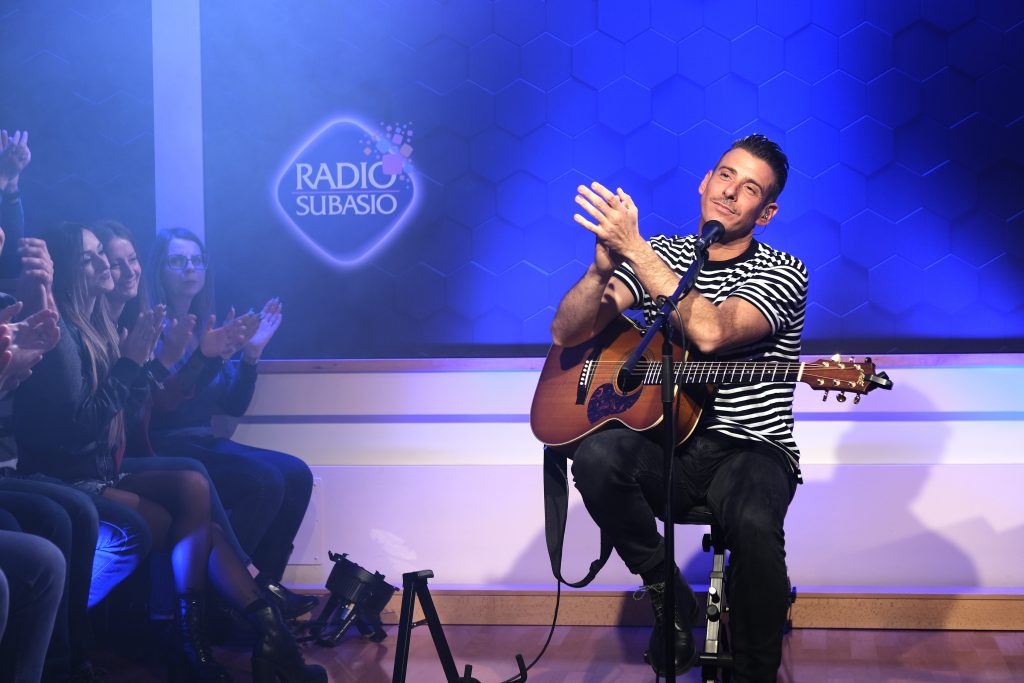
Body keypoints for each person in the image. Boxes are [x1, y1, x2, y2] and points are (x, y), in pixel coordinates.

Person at [14, 223, 325, 682]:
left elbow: (182, 406)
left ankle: (238, 634)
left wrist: (231, 356)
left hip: (107, 463)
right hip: (79, 473)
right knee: (209, 492)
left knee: (212, 486)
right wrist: (163, 361)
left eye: (121, 259)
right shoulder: (83, 328)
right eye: (96, 258)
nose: (115, 268)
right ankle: (248, 627)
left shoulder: (102, 324)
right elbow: (119, 421)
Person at [552, 134, 806, 683]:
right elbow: (567, 333)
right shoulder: (664, 254)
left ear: (766, 213)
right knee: (595, 458)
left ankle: (754, 675)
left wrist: (636, 250)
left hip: (751, 448)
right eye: (725, 175)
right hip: (668, 445)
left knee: (754, 524)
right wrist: (599, 272)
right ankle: (667, 591)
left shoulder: (785, 271)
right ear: (704, 182)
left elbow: (711, 333)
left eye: (750, 189)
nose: (730, 192)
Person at [146, 228, 318, 619]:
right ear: (159, 269)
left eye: (197, 260)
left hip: (203, 439)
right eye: (178, 261)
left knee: (296, 473)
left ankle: (264, 592)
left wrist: (251, 356)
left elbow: (232, 406)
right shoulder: (155, 327)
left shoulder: (204, 327)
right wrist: (208, 358)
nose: (190, 269)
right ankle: (240, 596)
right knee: (264, 480)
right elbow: (166, 406)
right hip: (166, 442)